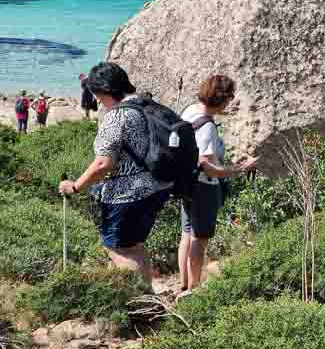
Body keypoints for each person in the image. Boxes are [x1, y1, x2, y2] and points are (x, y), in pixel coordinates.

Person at [59, 63, 169, 284]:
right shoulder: (145, 105)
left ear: (107, 90)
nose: (97, 100)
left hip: (127, 195)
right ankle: (150, 302)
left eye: (97, 94)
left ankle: (140, 303)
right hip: (155, 188)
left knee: (118, 249)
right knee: (135, 246)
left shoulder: (116, 117)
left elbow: (103, 164)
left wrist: (75, 186)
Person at [178, 75, 258, 296]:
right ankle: (193, 289)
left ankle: (184, 284)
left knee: (186, 233)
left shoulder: (189, 111)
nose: (230, 103)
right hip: (204, 186)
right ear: (222, 100)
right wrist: (241, 168)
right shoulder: (207, 126)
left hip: (187, 183)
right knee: (199, 238)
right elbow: (208, 167)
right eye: (229, 98)